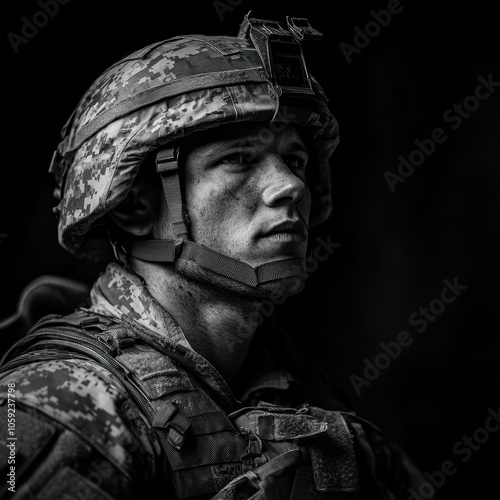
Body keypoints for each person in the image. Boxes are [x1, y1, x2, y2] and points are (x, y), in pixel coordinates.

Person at [0, 13, 429, 500]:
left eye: (294, 160)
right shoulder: (57, 406)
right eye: (239, 159)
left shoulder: (300, 389)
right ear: (137, 205)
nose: (290, 185)